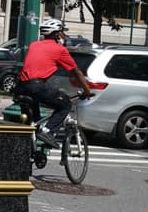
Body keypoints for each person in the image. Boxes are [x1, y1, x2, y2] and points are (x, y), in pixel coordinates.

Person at [15, 18, 92, 148]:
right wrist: (87, 90)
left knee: (34, 121)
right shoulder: (59, 49)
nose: (64, 35)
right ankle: (48, 132)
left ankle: (31, 150)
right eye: (62, 32)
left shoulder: (34, 45)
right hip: (37, 86)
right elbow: (76, 72)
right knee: (65, 104)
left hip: (21, 87)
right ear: (56, 34)